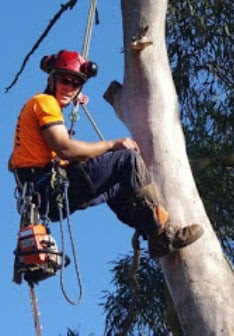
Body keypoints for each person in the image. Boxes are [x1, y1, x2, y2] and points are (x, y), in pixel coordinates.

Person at [9, 50, 203, 258]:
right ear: (51, 79)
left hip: (47, 197)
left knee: (116, 186)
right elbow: (66, 148)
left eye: (75, 84)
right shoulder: (44, 103)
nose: (69, 87)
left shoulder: (41, 106)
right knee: (126, 159)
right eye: (64, 80)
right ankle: (163, 231)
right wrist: (113, 144)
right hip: (52, 191)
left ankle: (153, 233)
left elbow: (13, 163)